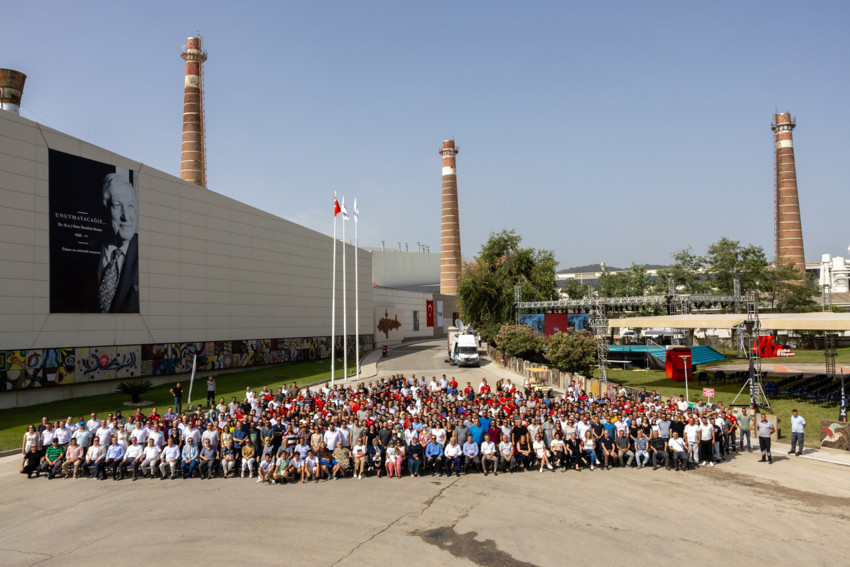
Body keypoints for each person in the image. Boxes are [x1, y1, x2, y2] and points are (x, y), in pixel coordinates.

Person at [95, 173, 139, 313]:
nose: (126, 216)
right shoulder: (90, 249)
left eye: (130, 206)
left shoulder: (145, 254)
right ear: (104, 209)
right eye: (117, 206)